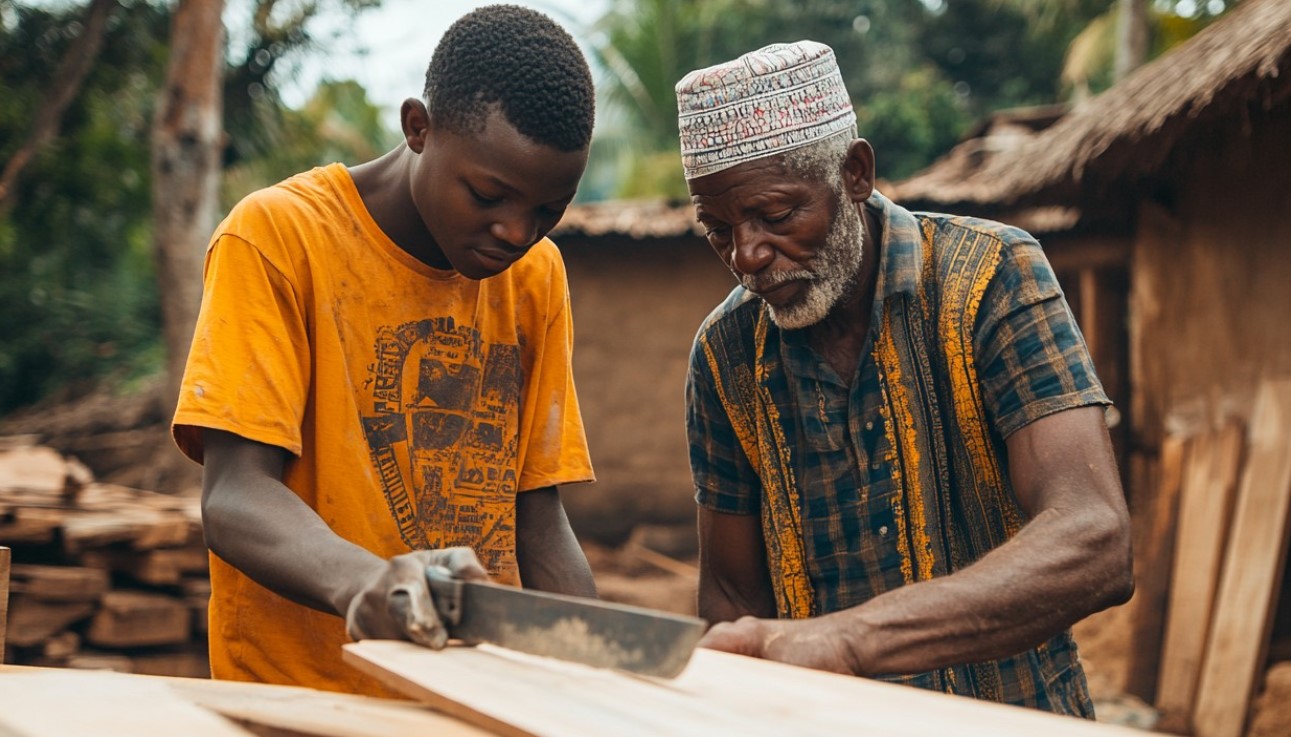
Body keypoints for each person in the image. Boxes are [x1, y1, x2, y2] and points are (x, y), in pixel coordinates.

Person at [675, 41, 1133, 716]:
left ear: (855, 173)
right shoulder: (724, 354)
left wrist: (852, 638)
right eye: (717, 229)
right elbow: (733, 598)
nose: (747, 255)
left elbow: (1094, 538)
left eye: (775, 216)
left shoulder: (991, 278)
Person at [171, 5, 599, 697]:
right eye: (489, 194)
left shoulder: (535, 276)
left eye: (549, 210)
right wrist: (370, 582)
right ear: (418, 127)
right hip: (306, 702)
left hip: (471, 702)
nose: (517, 230)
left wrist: (598, 671)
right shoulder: (279, 239)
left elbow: (537, 518)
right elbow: (235, 496)